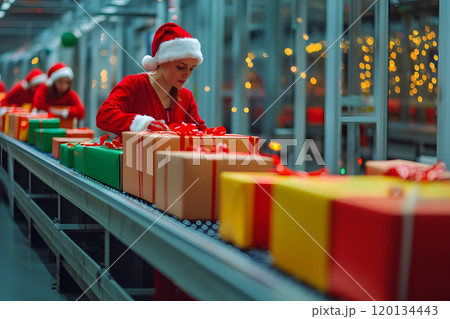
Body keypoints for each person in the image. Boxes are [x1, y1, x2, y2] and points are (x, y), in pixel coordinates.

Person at [96, 23, 207, 136]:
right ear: (163, 61)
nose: (186, 74)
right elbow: (104, 116)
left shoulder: (186, 97)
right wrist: (144, 124)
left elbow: (199, 129)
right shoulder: (134, 84)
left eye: (191, 69)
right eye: (181, 67)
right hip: (134, 153)